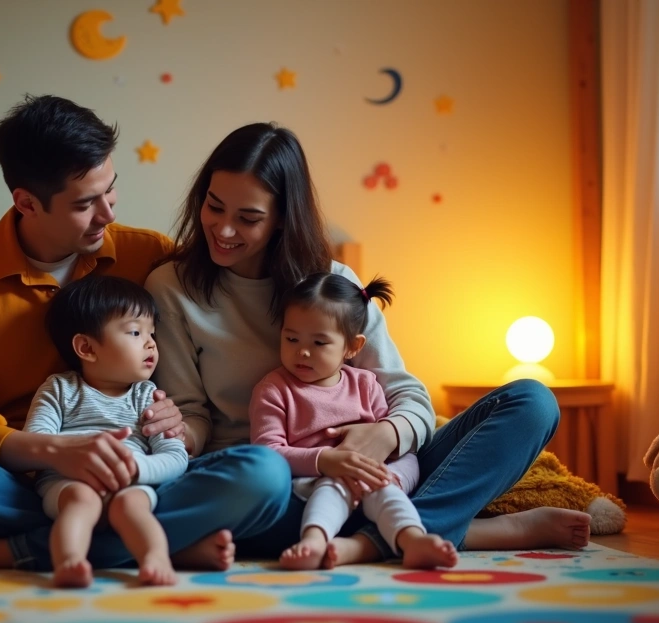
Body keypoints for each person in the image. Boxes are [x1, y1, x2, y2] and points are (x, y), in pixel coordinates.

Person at [0, 96, 293, 574]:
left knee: (264, 474)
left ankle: (13, 549)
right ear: (26, 202)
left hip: (133, 480)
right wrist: (50, 450)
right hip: (11, 475)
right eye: (86, 204)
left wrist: (181, 423)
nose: (107, 214)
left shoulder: (151, 257)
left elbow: (224, 325)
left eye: (111, 190)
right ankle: (155, 542)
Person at [145, 122, 593, 566]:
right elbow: (193, 417)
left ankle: (372, 542)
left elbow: (409, 397)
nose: (223, 230)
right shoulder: (173, 287)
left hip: (382, 474)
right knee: (256, 491)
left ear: (282, 218)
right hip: (275, 481)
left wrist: (385, 435)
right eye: (214, 207)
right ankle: (449, 529)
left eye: (248, 218)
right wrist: (178, 432)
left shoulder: (335, 285)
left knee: (532, 401)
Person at [251, 272, 459, 571]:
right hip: (317, 479)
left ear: (353, 347)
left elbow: (391, 439)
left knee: (384, 484)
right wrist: (326, 460)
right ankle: (314, 540)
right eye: (291, 338)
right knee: (334, 485)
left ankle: (411, 540)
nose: (302, 351)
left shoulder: (366, 384)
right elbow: (267, 452)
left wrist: (373, 467)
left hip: (377, 472)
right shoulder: (273, 390)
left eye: (320, 342)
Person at [26, 275, 186, 587]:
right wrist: (78, 464)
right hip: (69, 481)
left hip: (131, 482)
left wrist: (135, 469)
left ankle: (155, 558)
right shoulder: (60, 389)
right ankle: (70, 561)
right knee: (81, 499)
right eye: (136, 332)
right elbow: (36, 445)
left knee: (132, 505)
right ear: (86, 347)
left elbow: (176, 457)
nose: (151, 343)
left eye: (152, 333)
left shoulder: (147, 395)